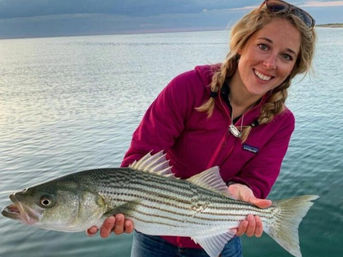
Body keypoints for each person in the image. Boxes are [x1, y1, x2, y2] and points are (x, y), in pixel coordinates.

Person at [87, 0, 316, 256]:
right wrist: (125, 203)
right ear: (241, 43)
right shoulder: (187, 88)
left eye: (286, 56)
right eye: (263, 46)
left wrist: (245, 190)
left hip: (219, 233)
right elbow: (140, 157)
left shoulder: (281, 122)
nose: (271, 63)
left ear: (294, 68)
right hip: (153, 235)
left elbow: (258, 178)